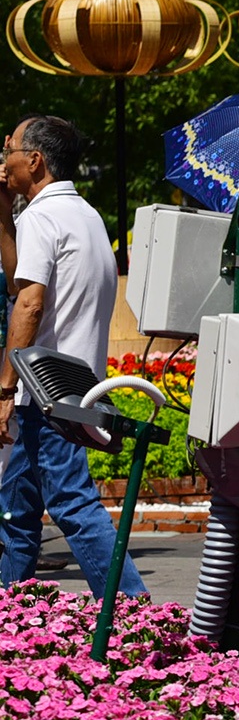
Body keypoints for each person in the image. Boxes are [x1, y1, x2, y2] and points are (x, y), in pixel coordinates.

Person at [0, 116, 145, 598]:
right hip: (72, 388)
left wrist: (4, 388)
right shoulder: (83, 214)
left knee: (72, 505)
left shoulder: (42, 217)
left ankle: (133, 611)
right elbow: (19, 278)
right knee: (17, 511)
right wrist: (4, 213)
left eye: (9, 150)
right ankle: (12, 608)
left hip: (46, 392)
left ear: (35, 160)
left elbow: (28, 302)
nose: (4, 159)